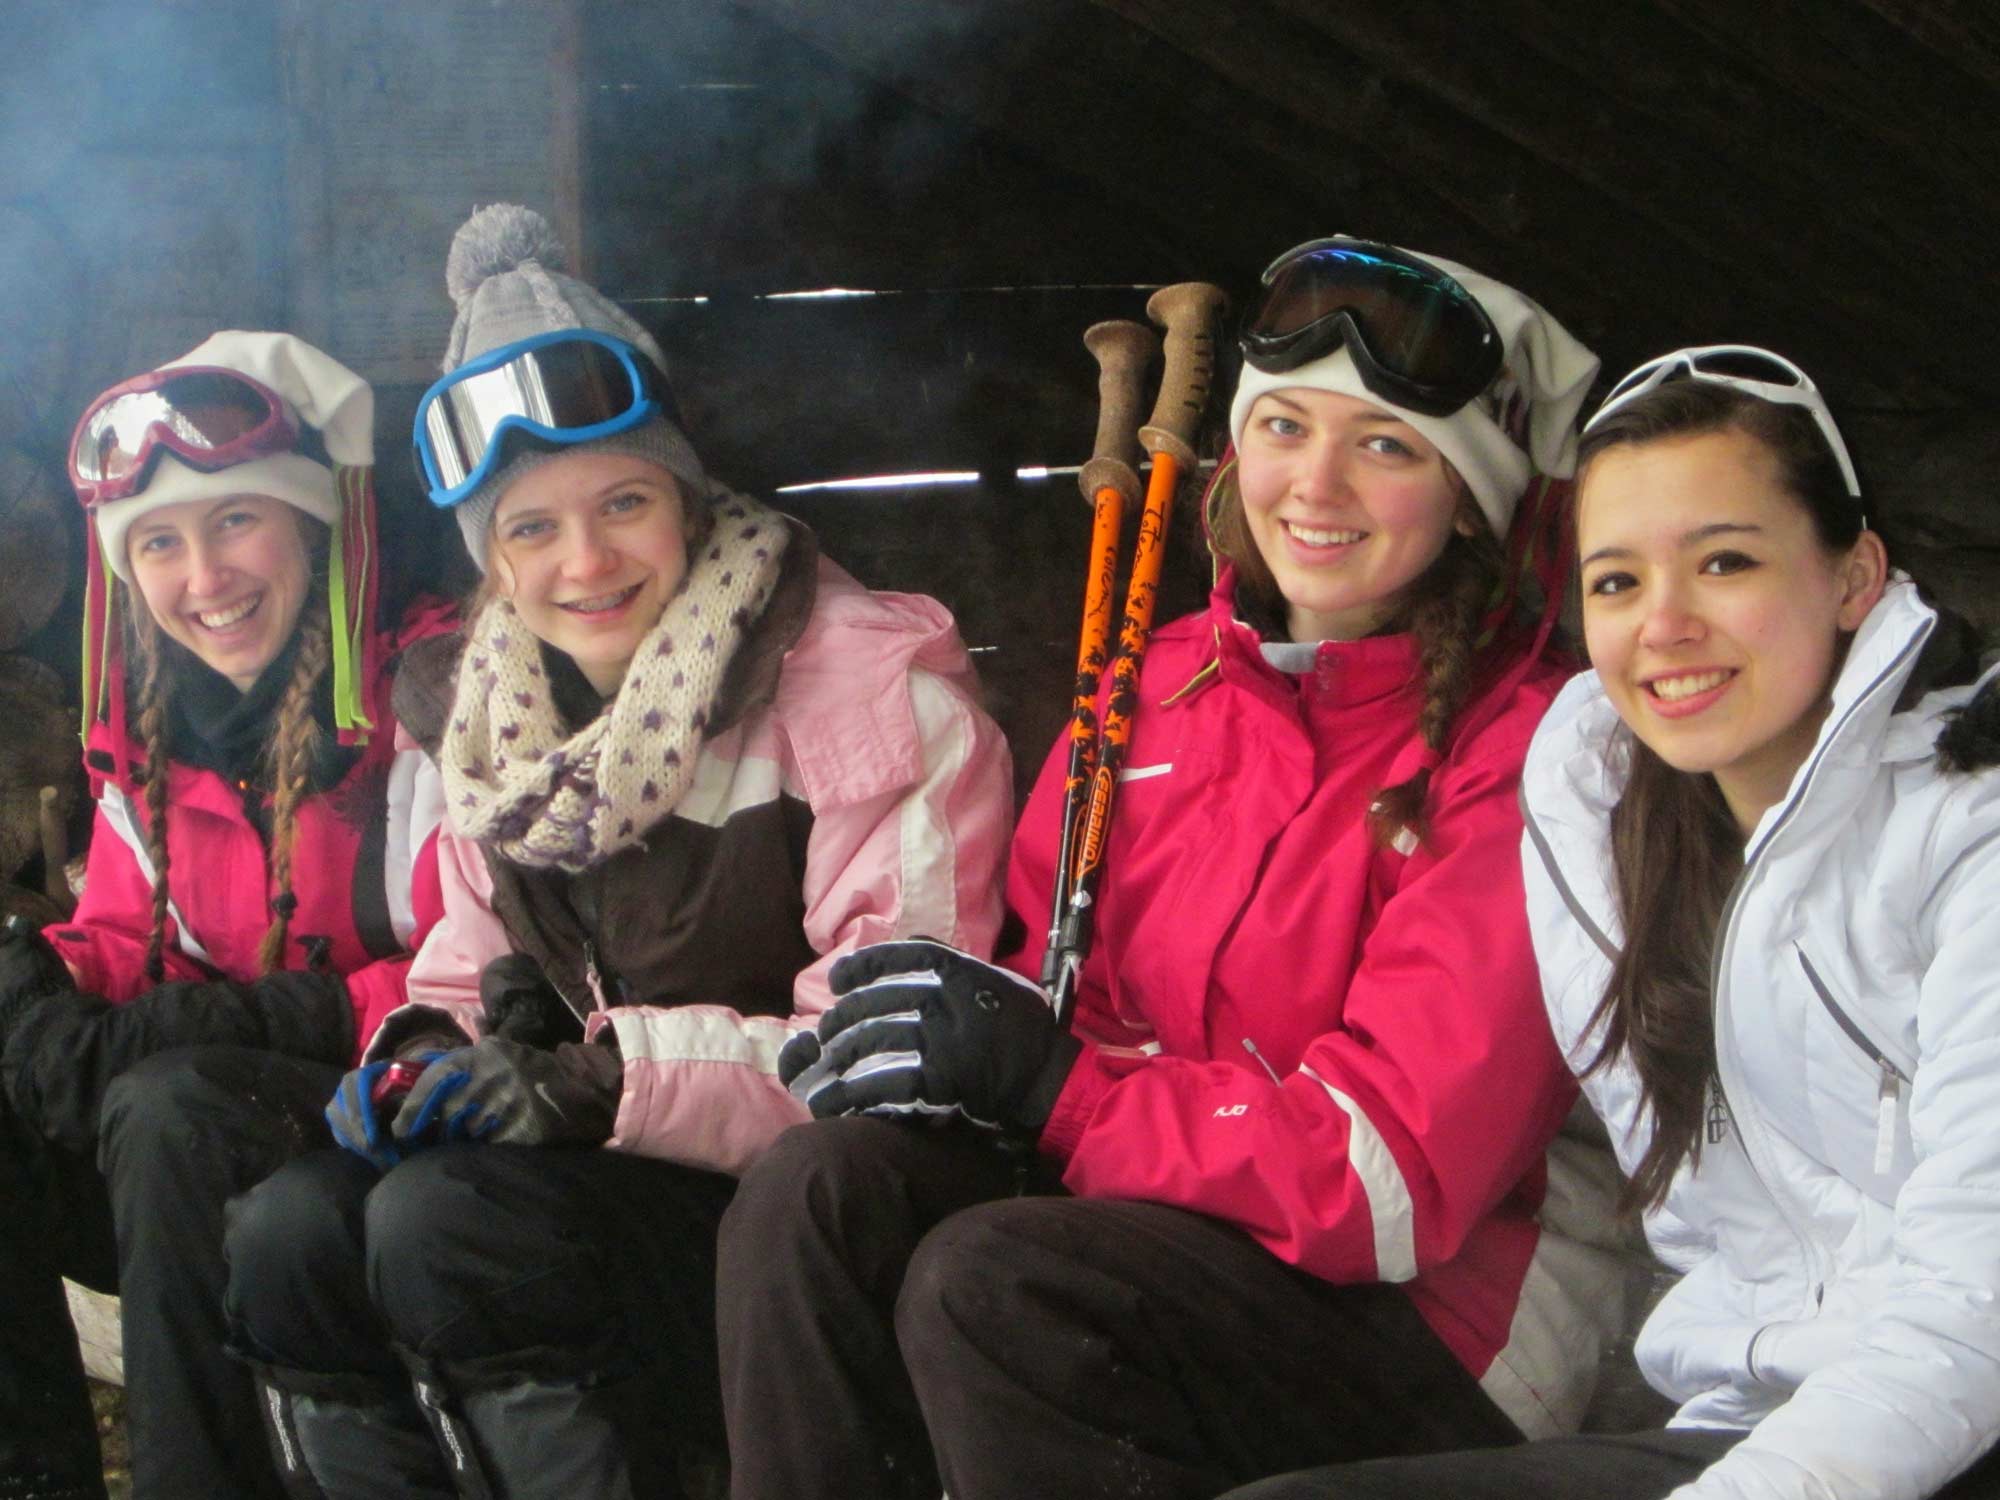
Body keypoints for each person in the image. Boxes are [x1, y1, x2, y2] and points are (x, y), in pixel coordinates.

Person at [716, 237, 1638, 1500]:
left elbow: (1388, 1184)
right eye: (1284, 428)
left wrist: (1064, 1095)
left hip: (1441, 1316)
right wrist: (963, 1059)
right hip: (1161, 1224)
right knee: (816, 1197)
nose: (1315, 484)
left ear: (1469, 498)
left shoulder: (1526, 751)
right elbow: (1067, 1003)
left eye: (1385, 446)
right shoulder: (1158, 689)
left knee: (998, 1288)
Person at [219, 203, 1014, 1500]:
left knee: (444, 1225)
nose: (585, 561)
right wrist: (422, 1056)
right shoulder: (491, 724)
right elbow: (464, 966)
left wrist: (598, 1081)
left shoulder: (865, 691)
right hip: (617, 1178)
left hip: (803, 1218)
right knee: (291, 1230)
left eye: (625, 502)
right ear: (491, 558)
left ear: (687, 500)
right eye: (530, 527)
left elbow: (886, 1052)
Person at [1216, 346, 2000, 1500]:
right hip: (1761, 1420)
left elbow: (1974, 1304)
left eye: (1723, 562)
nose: (1663, 624)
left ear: (1853, 576)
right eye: (1616, 582)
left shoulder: (1966, 837)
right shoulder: (1605, 817)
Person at [0, 332, 449, 1498]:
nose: (203, 577)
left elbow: (486, 969)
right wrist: (38, 988)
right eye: (159, 541)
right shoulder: (149, 732)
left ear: (311, 523)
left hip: (403, 1113)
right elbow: (125, 937)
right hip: (210, 1126)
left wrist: (275, 1020)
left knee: (167, 1107)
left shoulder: (428, 697)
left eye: (236, 519)